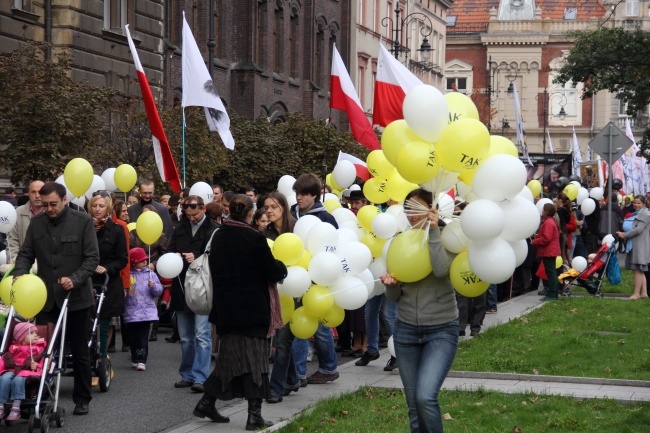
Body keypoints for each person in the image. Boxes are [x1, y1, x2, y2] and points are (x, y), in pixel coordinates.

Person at [193, 194, 287, 429]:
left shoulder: (218, 235)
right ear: (249, 213)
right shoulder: (254, 238)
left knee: (228, 360)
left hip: (226, 310)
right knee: (256, 361)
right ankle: (254, 416)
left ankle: (206, 402)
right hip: (251, 311)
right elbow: (271, 272)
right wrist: (282, 268)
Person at [12, 182, 99, 416]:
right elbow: (26, 254)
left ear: (64, 200)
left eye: (53, 204)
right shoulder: (37, 222)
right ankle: (38, 395)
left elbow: (92, 258)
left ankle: (82, 399)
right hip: (46, 299)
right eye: (44, 204)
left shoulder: (82, 222)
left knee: (80, 352)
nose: (49, 208)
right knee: (41, 350)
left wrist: (75, 278)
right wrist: (19, 274)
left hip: (76, 298)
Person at [380, 188, 459, 433]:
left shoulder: (448, 237)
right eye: (408, 209)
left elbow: (440, 270)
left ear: (431, 209)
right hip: (406, 332)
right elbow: (395, 296)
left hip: (441, 329)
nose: (411, 214)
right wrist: (389, 285)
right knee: (414, 405)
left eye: (417, 208)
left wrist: (433, 231)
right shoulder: (401, 241)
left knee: (425, 397)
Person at [290, 173, 340, 385]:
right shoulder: (294, 215)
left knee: (318, 325)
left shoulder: (326, 218)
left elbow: (334, 248)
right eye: (297, 194)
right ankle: (300, 372)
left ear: (314, 196)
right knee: (299, 324)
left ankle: (328, 367)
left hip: (318, 278)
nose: (299, 198)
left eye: (303, 194)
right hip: (296, 275)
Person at [166, 195, 218, 393]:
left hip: (203, 287)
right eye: (188, 215)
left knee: (202, 335)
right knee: (186, 336)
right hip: (181, 285)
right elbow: (168, 251)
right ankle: (187, 374)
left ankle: (200, 377)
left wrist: (196, 257)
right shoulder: (180, 227)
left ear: (203, 209)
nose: (192, 218)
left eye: (195, 214)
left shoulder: (214, 229)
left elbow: (218, 256)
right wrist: (177, 256)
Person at [261, 192, 299, 403]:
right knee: (283, 339)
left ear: (283, 207)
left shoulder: (297, 228)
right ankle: (292, 379)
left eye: (274, 206)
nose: (269, 211)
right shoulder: (265, 234)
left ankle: (276, 388)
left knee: (283, 341)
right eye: (267, 207)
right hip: (274, 290)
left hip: (295, 289)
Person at [87, 192, 128, 361]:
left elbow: (122, 259)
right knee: (86, 324)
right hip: (87, 279)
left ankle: (102, 356)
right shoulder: (84, 227)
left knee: (103, 324)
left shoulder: (116, 230)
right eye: (95, 206)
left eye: (101, 206)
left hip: (107, 282)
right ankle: (86, 356)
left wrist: (106, 268)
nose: (97, 209)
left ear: (108, 208)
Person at [125, 247, 163, 371]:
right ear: (134, 261)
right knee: (132, 336)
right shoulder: (129, 275)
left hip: (146, 311)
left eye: (145, 260)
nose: (145, 262)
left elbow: (158, 291)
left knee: (142, 336)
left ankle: (141, 360)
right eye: (142, 260)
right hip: (131, 310)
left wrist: (153, 286)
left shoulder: (151, 274)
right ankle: (135, 357)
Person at [0, 322, 47, 421]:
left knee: (18, 380)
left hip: (28, 371)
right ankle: (1, 405)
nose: (36, 335)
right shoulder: (13, 347)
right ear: (21, 337)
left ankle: (16, 407)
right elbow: (6, 359)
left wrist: (36, 366)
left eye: (36, 332)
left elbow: (43, 362)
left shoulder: (38, 348)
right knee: (4, 378)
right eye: (31, 333)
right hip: (13, 368)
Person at [616, 195, 650, 299]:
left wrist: (624, 235)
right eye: (635, 203)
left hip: (640, 245)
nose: (636, 205)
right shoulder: (638, 213)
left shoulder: (645, 214)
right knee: (640, 269)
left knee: (637, 269)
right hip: (635, 243)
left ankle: (636, 294)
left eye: (639, 203)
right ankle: (644, 293)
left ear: (643, 204)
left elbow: (639, 229)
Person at [6, 180, 44, 264]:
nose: (37, 196)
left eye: (40, 192)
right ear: (28, 194)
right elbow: (12, 240)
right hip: (22, 264)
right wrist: (17, 261)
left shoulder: (52, 212)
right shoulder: (18, 212)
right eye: (33, 192)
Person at [532, 203, 561, 301]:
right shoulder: (551, 221)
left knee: (551, 272)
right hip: (551, 250)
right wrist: (537, 236)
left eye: (543, 209)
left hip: (549, 251)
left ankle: (552, 294)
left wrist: (534, 241)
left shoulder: (548, 222)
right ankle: (553, 292)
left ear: (546, 211)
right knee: (552, 272)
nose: (542, 211)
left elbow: (546, 238)